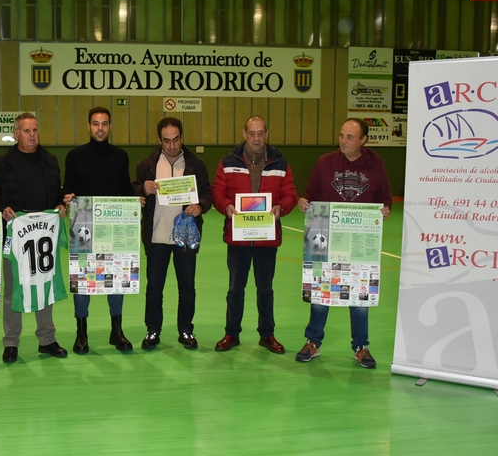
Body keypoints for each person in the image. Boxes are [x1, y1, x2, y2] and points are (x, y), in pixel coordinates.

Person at [295, 118, 393, 369]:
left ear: (363, 140)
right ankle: (313, 341)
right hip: (324, 236)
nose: (344, 141)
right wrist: (304, 201)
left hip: (360, 239)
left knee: (360, 294)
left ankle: (361, 346)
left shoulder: (375, 163)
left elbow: (385, 199)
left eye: (350, 137)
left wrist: (385, 210)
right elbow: (310, 193)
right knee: (320, 291)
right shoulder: (324, 162)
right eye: (341, 135)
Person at [211, 116, 297, 355]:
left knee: (265, 289)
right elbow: (217, 191)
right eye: (252, 133)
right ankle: (232, 333)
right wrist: (226, 206)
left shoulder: (280, 163)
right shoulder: (228, 162)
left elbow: (290, 194)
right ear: (244, 133)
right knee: (235, 289)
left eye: (260, 133)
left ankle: (267, 335)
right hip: (238, 237)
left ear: (266, 134)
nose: (256, 138)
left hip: (266, 239)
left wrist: (281, 208)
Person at [0, 113, 68, 363]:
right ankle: (11, 342)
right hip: (15, 237)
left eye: (35, 130)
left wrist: (60, 205)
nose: (31, 135)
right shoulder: (1, 163)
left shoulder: (50, 160)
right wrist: (2, 209)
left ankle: (47, 339)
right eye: (26, 131)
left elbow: (57, 193)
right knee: (13, 288)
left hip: (44, 236)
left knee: (45, 285)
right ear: (16, 133)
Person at [133, 117, 212, 350]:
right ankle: (152, 330)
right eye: (166, 140)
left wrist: (201, 206)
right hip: (156, 236)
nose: (171, 145)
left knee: (187, 285)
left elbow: (207, 193)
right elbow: (133, 189)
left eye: (175, 139)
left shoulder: (196, 165)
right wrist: (141, 189)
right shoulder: (146, 165)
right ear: (159, 140)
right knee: (154, 286)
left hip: (186, 236)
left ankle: (186, 330)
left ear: (182, 138)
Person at [62, 106, 135, 354]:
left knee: (115, 278)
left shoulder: (121, 155)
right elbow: (68, 189)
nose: (100, 128)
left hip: (114, 228)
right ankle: (81, 333)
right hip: (83, 227)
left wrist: (136, 203)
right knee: (83, 281)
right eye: (95, 123)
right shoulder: (74, 155)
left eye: (104, 123)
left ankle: (117, 331)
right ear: (89, 126)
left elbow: (125, 190)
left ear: (110, 126)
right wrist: (67, 198)